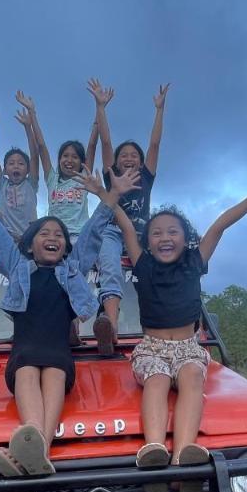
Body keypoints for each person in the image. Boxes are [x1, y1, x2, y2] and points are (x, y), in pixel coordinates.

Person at [0, 162, 140, 485]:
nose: (52, 238)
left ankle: (30, 453)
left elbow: (91, 233)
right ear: (30, 244)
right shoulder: (17, 266)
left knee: (56, 372)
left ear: (65, 247)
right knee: (29, 370)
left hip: (60, 354)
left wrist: (113, 194)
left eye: (58, 235)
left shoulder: (72, 269)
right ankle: (37, 449)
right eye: (44, 233)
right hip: (24, 355)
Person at [121, 171, 247, 492]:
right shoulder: (142, 264)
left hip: (188, 347)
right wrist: (107, 196)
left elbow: (221, 223)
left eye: (172, 231)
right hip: (152, 347)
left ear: (186, 238)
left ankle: (184, 461)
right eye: (156, 233)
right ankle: (154, 455)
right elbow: (125, 224)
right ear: (147, 242)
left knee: (193, 377)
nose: (164, 237)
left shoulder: (195, 261)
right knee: (155, 380)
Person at [90, 79, 170, 354]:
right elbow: (106, 140)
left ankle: (160, 329)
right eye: (123, 155)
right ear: (116, 162)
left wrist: (159, 110)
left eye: (134, 155)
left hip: (140, 236)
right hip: (112, 231)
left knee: (152, 274)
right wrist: (101, 107)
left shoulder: (146, 178)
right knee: (110, 266)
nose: (128, 158)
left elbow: (155, 143)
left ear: (140, 161)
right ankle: (110, 327)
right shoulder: (111, 176)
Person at [14, 89, 100, 236]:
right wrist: (32, 112)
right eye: (65, 156)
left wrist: (100, 107)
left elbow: (92, 144)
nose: (69, 160)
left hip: (79, 235)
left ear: (82, 162)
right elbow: (41, 146)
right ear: (59, 160)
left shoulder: (84, 178)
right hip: (56, 235)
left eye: (75, 157)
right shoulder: (52, 179)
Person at [0, 105, 39, 240]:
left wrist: (28, 128)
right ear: (5, 170)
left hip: (29, 237)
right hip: (8, 237)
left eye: (21, 163)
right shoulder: (3, 184)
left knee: (43, 224)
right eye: (11, 163)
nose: (16, 166)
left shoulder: (31, 183)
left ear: (28, 170)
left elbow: (35, 156)